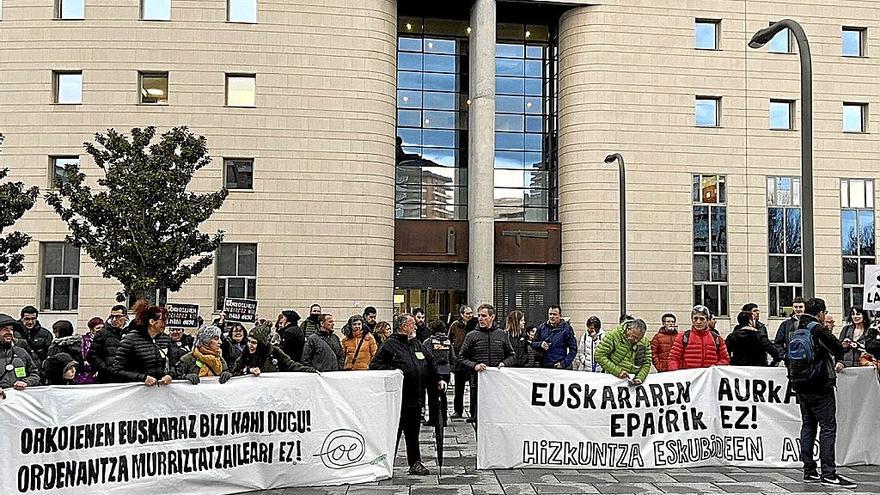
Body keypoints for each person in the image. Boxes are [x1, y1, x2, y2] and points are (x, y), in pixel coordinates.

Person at [786, 298, 856, 488]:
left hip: (800, 384)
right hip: (819, 384)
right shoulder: (817, 328)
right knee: (827, 428)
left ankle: (809, 471)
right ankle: (829, 473)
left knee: (808, 426)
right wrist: (843, 346)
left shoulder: (794, 328)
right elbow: (837, 349)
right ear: (821, 313)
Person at [370, 314, 445, 476]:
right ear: (403, 326)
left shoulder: (416, 344)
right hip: (397, 399)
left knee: (413, 432)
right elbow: (375, 365)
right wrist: (394, 372)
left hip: (415, 396)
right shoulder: (390, 344)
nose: (415, 327)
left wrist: (438, 379)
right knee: (394, 433)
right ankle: (384, 463)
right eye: (412, 324)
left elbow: (429, 362)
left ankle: (415, 462)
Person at [457, 304, 516, 424]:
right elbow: (461, 357)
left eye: (484, 316)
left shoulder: (502, 334)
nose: (480, 319)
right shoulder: (471, 335)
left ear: (492, 317)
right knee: (479, 417)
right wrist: (474, 365)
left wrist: (504, 363)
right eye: (479, 316)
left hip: (497, 381)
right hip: (478, 381)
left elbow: (512, 356)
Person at [111, 300, 175, 386]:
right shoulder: (130, 340)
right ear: (152, 321)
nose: (165, 324)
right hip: (137, 389)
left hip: (159, 389)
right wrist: (143, 378)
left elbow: (173, 363)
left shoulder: (165, 339)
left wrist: (170, 375)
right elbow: (117, 370)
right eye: (162, 320)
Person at [233, 323, 316, 375]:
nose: (249, 345)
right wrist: (248, 370)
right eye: (248, 341)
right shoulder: (245, 355)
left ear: (262, 345)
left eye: (254, 343)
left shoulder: (274, 351)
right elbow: (234, 373)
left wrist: (308, 370)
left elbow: (290, 365)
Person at [667, 305, 730, 370]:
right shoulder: (682, 337)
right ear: (692, 320)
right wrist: (676, 373)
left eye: (702, 319)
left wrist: (715, 367)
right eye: (695, 318)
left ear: (707, 320)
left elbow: (725, 359)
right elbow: (673, 359)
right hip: (688, 375)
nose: (698, 322)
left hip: (710, 376)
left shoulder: (717, 339)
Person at [594, 318, 652, 385]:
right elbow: (599, 355)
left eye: (640, 338)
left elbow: (647, 362)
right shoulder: (613, 335)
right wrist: (618, 371)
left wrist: (640, 377)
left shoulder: (644, 342)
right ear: (628, 329)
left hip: (634, 382)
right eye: (635, 337)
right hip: (613, 379)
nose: (636, 341)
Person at [423, 319, 456, 426]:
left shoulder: (428, 342)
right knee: (443, 395)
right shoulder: (447, 341)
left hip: (433, 372)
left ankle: (433, 419)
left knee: (432, 396)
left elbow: (426, 357)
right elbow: (453, 357)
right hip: (446, 371)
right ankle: (444, 419)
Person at [0, 313, 41, 392]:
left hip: (19, 398)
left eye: (11, 329)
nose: (10, 332)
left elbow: (35, 374)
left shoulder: (21, 352)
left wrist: (25, 382)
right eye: (5, 329)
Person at [88, 304, 128, 383]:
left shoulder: (131, 332)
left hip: (127, 377)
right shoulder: (102, 333)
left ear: (125, 317)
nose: (114, 319)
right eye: (112, 316)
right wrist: (105, 368)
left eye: (118, 316)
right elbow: (92, 356)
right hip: (107, 378)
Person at [447, 305, 475, 419]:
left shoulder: (475, 325)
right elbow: (449, 340)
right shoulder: (455, 325)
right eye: (467, 313)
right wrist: (453, 357)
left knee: (473, 388)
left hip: (472, 360)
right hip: (460, 361)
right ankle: (457, 410)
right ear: (462, 314)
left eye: (471, 313)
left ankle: (473, 411)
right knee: (459, 388)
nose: (470, 315)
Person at [532, 305, 577, 369]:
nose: (552, 316)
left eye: (554, 314)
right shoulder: (542, 327)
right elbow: (533, 344)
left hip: (559, 366)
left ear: (560, 315)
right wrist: (540, 344)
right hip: (544, 366)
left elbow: (573, 349)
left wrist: (563, 364)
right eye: (550, 314)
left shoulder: (566, 329)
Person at [14, 305, 53, 371]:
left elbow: (49, 355)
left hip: (39, 370)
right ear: (22, 318)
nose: (30, 322)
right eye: (27, 319)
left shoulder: (45, 334)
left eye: (33, 319)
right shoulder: (13, 332)